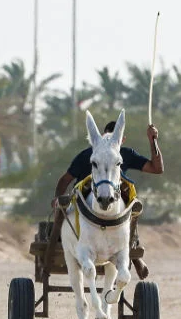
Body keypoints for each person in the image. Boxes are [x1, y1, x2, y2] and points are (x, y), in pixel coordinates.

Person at [52, 120, 164, 279]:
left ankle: (132, 247)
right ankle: (59, 237)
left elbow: (157, 168)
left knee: (131, 203)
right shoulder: (87, 154)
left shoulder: (125, 154)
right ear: (100, 137)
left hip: (115, 196)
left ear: (121, 140)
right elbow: (65, 180)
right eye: (107, 137)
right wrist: (57, 199)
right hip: (85, 197)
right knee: (66, 209)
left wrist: (153, 141)